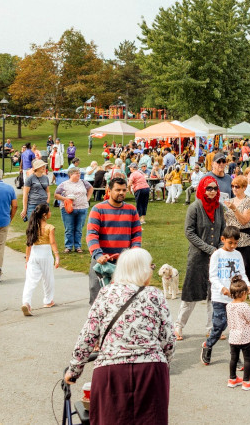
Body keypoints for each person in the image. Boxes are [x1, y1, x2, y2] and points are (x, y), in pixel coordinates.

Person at [65, 248, 174, 425]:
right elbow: (168, 339)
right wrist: (163, 363)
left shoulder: (106, 294)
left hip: (111, 371)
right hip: (151, 370)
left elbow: (88, 335)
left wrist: (74, 370)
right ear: (143, 270)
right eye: (150, 266)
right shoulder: (155, 295)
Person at [175, 177, 225, 341]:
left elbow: (222, 231)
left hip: (215, 258)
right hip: (197, 257)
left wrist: (218, 247)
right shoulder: (195, 207)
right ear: (202, 189)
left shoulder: (220, 208)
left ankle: (212, 328)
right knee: (191, 292)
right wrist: (209, 248)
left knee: (214, 293)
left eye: (214, 188)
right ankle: (179, 326)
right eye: (208, 188)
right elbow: (189, 232)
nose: (212, 191)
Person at [86, 178, 143, 304]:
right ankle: (97, 323)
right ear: (109, 190)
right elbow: (92, 234)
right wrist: (98, 254)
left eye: (124, 190)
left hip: (124, 261)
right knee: (97, 296)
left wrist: (134, 253)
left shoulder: (131, 209)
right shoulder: (98, 209)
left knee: (124, 298)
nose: (121, 193)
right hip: (102, 260)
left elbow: (136, 234)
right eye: (117, 190)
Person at [201, 226, 250, 366]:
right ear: (222, 239)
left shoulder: (237, 255)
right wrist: (222, 288)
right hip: (219, 297)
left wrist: (247, 285)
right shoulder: (217, 255)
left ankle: (235, 357)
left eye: (236, 243)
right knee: (219, 325)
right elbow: (212, 276)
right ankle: (208, 345)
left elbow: (242, 273)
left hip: (235, 299)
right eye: (230, 243)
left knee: (236, 329)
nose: (233, 246)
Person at [21, 204, 59, 316]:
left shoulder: (32, 227)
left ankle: (26, 302)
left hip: (34, 254)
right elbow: (52, 242)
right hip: (46, 254)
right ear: (44, 215)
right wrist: (57, 256)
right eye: (49, 211)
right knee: (48, 278)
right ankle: (48, 300)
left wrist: (27, 260)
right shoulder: (49, 227)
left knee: (30, 280)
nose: (50, 213)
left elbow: (29, 244)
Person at [225, 275, 250, 390]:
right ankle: (246, 381)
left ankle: (232, 379)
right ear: (243, 294)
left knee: (233, 358)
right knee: (247, 359)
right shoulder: (244, 306)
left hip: (233, 336)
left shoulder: (229, 306)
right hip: (244, 337)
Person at [223, 176, 250, 283]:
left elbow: (244, 221)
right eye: (232, 186)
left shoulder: (249, 201)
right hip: (230, 237)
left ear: (244, 187)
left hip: (244, 238)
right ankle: (233, 288)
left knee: (245, 266)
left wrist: (234, 209)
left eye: (237, 187)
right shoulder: (230, 201)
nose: (234, 189)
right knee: (230, 265)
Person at [54, 167, 93, 253]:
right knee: (69, 228)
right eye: (76, 173)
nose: (78, 175)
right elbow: (56, 195)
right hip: (68, 209)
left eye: (79, 173)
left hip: (82, 208)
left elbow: (91, 188)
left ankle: (78, 246)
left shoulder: (83, 182)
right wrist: (65, 199)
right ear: (70, 175)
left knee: (79, 228)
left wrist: (88, 198)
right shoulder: (64, 184)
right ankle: (68, 246)